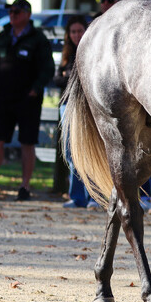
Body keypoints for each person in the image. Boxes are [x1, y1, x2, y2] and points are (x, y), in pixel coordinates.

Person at [0, 0, 55, 201]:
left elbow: (47, 68)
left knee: (27, 142)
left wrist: (35, 89)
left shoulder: (38, 38)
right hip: (4, 97)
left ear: (27, 14)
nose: (12, 15)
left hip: (28, 99)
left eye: (17, 12)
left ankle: (24, 187)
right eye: (10, 12)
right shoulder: (3, 36)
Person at [53, 16, 93, 208]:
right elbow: (57, 79)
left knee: (89, 150)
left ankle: (93, 196)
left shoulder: (92, 51)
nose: (77, 35)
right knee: (71, 152)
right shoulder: (67, 54)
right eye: (73, 32)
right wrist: (69, 76)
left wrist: (67, 75)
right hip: (67, 105)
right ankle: (77, 196)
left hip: (87, 106)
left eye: (80, 31)